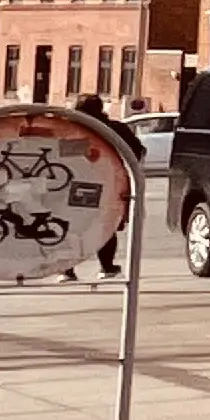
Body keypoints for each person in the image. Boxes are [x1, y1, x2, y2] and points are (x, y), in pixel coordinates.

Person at [70, 89, 121, 279]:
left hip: (75, 183)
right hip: (108, 183)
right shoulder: (114, 128)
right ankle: (106, 267)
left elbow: (61, 154)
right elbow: (137, 151)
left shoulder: (70, 130)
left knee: (73, 226)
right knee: (106, 225)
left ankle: (67, 270)